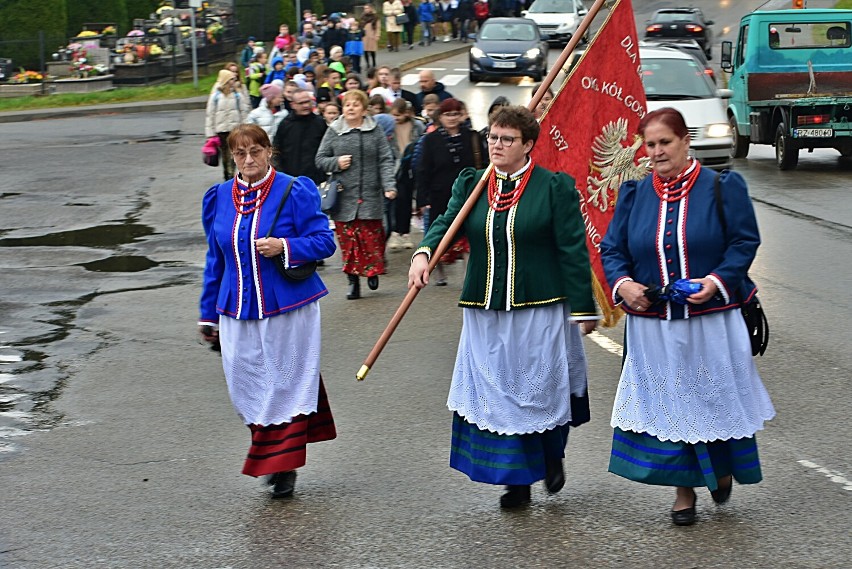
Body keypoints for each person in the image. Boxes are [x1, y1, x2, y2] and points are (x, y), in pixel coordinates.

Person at [408, 105, 598, 509]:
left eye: (507, 139)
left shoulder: (553, 187)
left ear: (528, 144)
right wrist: (424, 253)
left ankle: (551, 454)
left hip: (541, 309)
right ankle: (517, 480)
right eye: (493, 137)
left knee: (539, 390)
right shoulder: (473, 184)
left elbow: (572, 250)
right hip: (485, 309)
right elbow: (446, 223)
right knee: (499, 395)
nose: (496, 145)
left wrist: (583, 306)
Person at [600, 107, 775, 526]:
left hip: (711, 321)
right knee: (672, 404)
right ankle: (684, 492)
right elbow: (612, 250)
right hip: (654, 325)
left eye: (665, 142)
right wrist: (622, 284)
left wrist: (715, 281)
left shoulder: (721, 187)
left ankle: (722, 466)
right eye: (651, 144)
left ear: (685, 142)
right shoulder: (634, 194)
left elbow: (743, 243)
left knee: (712, 401)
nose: (658, 152)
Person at [198, 124, 338, 499]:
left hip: (288, 307)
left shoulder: (296, 189)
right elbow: (216, 260)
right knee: (247, 385)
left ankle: (283, 465)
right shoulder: (219, 197)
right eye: (240, 154)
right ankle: (274, 456)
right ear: (231, 158)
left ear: (269, 151)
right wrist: (207, 314)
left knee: (284, 383)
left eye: (255, 152)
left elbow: (325, 241)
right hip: (235, 308)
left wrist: (285, 247)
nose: (248, 160)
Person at [315, 90, 397, 300]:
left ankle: (372, 270)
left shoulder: (374, 130)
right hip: (344, 197)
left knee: (373, 237)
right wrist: (336, 163)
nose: (350, 108)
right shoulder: (334, 130)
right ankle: (353, 282)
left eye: (355, 104)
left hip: (370, 194)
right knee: (349, 243)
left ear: (364, 108)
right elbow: (320, 159)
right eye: (347, 105)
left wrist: (389, 185)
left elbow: (385, 159)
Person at [415, 98, 482, 284]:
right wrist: (422, 199)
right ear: (440, 116)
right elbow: (423, 170)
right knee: (442, 234)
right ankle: (438, 270)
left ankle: (468, 275)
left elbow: (484, 166)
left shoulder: (473, 137)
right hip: (440, 196)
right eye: (447, 114)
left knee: (470, 235)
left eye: (455, 114)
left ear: (461, 115)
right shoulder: (430, 140)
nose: (451, 118)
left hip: (470, 195)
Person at [387, 98, 425, 250]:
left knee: (408, 199)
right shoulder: (390, 126)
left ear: (406, 113)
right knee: (398, 199)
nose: (396, 118)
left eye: (399, 115)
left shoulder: (417, 126)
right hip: (396, 166)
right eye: (394, 115)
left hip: (412, 165)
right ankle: (396, 231)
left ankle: (405, 233)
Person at [273, 88, 328, 185]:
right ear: (293, 105)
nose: (306, 105)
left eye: (307, 102)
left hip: (316, 180)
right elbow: (276, 150)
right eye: (301, 103)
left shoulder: (320, 123)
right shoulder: (285, 124)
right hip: (290, 180)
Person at [206, 70, 251, 180]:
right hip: (221, 131)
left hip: (234, 130)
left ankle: (231, 175)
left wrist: (246, 129)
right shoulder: (216, 96)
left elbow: (243, 112)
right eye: (231, 79)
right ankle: (226, 173)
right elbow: (210, 114)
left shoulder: (237, 95)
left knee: (234, 154)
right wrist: (210, 133)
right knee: (225, 155)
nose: (234, 80)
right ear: (226, 80)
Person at [361, 4, 381, 69]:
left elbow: (378, 27)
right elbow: (361, 25)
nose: (366, 10)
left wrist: (377, 35)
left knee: (372, 50)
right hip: (364, 36)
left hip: (372, 34)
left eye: (367, 8)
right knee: (365, 50)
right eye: (365, 8)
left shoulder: (375, 17)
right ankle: (367, 64)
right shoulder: (363, 16)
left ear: (371, 8)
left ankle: (374, 63)